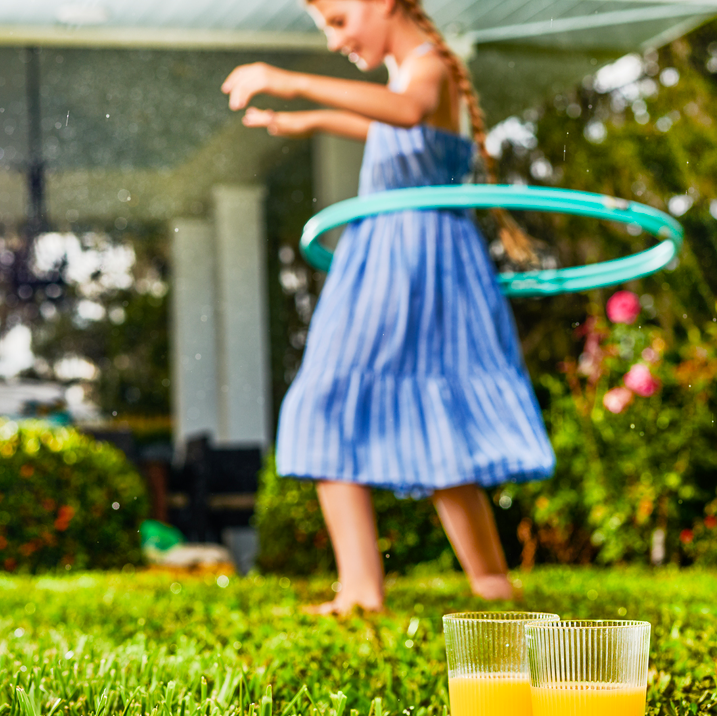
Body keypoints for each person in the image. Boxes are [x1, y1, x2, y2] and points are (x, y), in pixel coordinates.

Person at [222, 0, 555, 614]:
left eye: (340, 21)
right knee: (436, 410)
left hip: (408, 258)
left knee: (329, 398)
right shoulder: (415, 72)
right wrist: (310, 119)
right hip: (414, 256)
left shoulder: (428, 68)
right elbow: (396, 127)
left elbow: (405, 112)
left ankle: (362, 589)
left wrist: (290, 81)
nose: (334, 41)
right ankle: (489, 584)